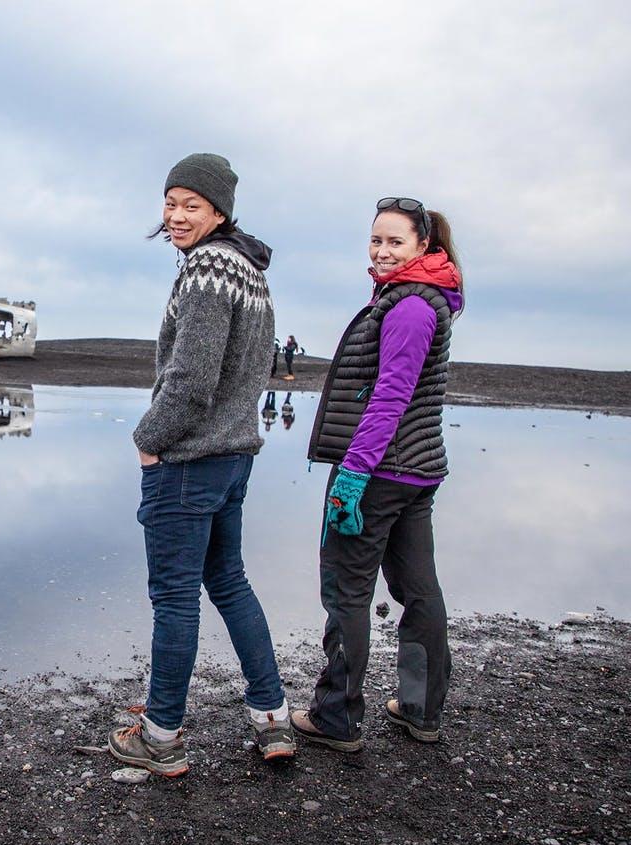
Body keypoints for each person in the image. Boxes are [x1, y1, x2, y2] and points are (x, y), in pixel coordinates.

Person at [110, 152, 294, 777]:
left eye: (192, 205)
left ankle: (161, 734)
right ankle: (272, 717)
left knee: (174, 597)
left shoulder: (209, 268)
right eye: (171, 203)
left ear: (220, 211)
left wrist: (148, 437)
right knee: (228, 582)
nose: (177, 215)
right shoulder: (248, 269)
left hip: (189, 460)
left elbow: (192, 376)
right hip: (234, 457)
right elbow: (252, 368)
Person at [292, 196, 463, 752]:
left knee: (347, 591)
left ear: (423, 246)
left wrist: (352, 476)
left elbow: (389, 399)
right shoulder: (417, 297)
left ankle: (336, 718)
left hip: (380, 472)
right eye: (376, 240)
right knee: (418, 589)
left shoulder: (411, 306)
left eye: (395, 242)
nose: (383, 251)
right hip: (415, 470)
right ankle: (420, 708)